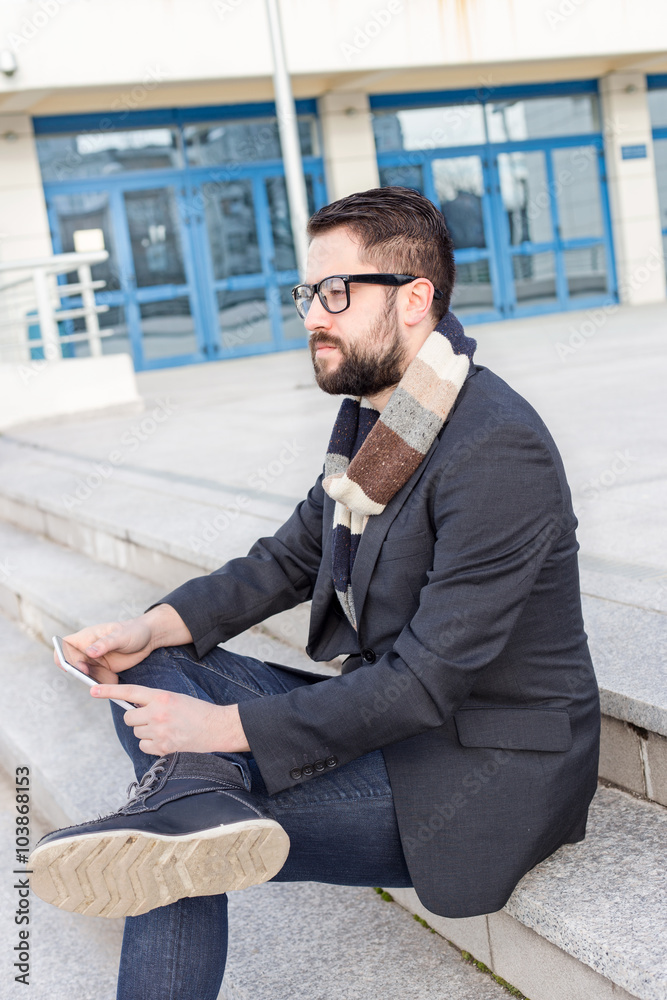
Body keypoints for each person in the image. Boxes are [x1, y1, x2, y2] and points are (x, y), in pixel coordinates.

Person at [30, 187, 600, 1000]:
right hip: (395, 724)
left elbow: (424, 683)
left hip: (483, 763)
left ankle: (190, 804)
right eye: (307, 293)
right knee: (149, 666)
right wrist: (150, 623)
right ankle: (197, 796)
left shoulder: (496, 449)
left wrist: (224, 726)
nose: (312, 314)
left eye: (335, 292)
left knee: (165, 854)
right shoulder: (384, 423)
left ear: (413, 300)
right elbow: (289, 557)